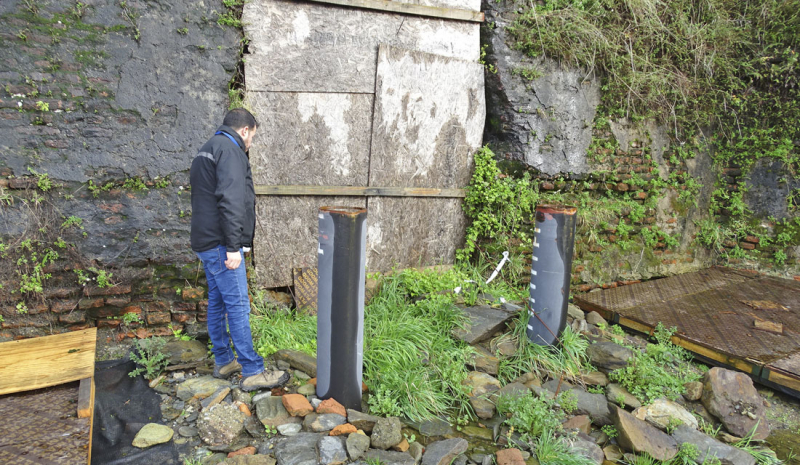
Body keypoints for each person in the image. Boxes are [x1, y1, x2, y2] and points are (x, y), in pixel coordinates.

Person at [190, 108, 289, 392]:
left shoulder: (206, 149)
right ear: (244, 130)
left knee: (218, 303)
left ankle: (224, 361)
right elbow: (231, 200)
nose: (251, 144)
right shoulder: (230, 150)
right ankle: (253, 370)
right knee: (238, 306)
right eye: (252, 137)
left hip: (205, 242)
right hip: (222, 244)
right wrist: (233, 247)